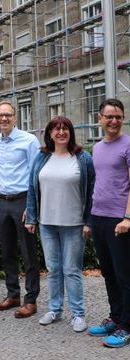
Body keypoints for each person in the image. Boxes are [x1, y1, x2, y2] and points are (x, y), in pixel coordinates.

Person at [25, 116, 95, 332]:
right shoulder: (42, 157)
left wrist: (88, 221)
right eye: (56, 129)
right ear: (50, 133)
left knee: (71, 270)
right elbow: (31, 187)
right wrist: (31, 218)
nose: (61, 132)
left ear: (70, 133)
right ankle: (55, 309)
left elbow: (92, 191)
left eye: (65, 129)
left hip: (74, 223)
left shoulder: (82, 158)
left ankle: (78, 313)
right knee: (53, 269)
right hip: (47, 223)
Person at [0, 100, 40, 318]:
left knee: (28, 252)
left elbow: (36, 175)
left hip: (23, 200)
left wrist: (31, 206)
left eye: (8, 115)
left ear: (15, 117)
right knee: (7, 250)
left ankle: (31, 300)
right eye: (0, 115)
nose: (4, 118)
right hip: (3, 201)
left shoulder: (29, 141)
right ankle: (13, 294)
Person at [87, 98, 130, 348]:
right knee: (108, 273)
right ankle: (115, 317)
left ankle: (127, 325)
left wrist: (127, 217)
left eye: (118, 116)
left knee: (125, 274)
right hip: (99, 217)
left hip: (119, 219)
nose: (114, 120)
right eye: (109, 116)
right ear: (100, 119)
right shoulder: (98, 147)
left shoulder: (128, 144)